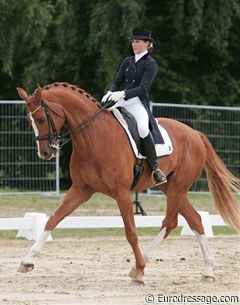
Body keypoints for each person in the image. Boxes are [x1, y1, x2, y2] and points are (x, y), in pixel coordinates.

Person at [101, 28, 167, 186]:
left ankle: (156, 168)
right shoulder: (127, 61)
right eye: (133, 41)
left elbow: (143, 88)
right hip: (121, 99)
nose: (134, 44)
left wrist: (122, 93)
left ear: (147, 44)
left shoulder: (151, 64)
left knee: (143, 129)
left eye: (137, 41)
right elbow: (117, 80)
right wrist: (110, 91)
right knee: (101, 118)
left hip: (137, 101)